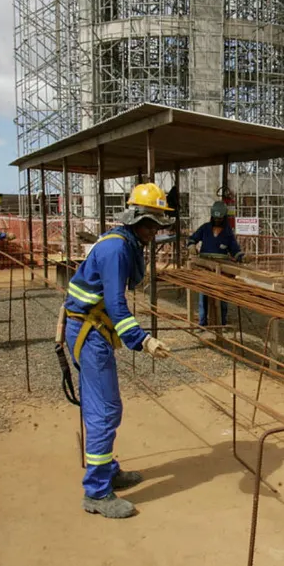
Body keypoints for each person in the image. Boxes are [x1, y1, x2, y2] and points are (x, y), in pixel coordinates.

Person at [63, 182, 173, 519]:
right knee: (105, 410)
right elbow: (115, 302)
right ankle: (96, 492)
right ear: (138, 220)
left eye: (159, 225)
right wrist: (143, 340)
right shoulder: (116, 249)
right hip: (90, 332)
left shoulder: (127, 243)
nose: (156, 232)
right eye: (153, 225)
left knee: (105, 406)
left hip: (95, 329)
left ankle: (108, 471)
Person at [187, 201, 245, 327]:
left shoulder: (228, 233)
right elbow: (192, 238)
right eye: (216, 218)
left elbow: (235, 250)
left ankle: (221, 323)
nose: (217, 220)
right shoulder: (205, 228)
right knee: (204, 296)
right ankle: (203, 323)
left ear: (224, 218)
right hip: (205, 267)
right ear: (212, 217)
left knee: (222, 297)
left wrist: (242, 257)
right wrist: (191, 245)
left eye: (220, 218)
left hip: (222, 269)